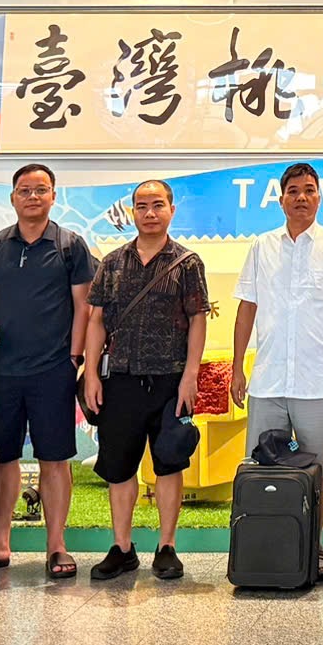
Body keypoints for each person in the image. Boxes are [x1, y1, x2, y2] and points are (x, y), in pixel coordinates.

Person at [0, 162, 94, 579]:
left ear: (54, 196)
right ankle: (0, 543)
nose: (33, 197)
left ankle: (56, 546)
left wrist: (74, 359)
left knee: (54, 459)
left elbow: (84, 307)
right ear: (13, 198)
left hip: (53, 370)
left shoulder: (71, 246)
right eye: (25, 190)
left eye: (41, 190)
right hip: (2, 372)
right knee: (2, 458)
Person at [83, 178, 210, 582]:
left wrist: (191, 375)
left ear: (172, 210)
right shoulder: (112, 262)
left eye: (158, 205)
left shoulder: (187, 263)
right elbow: (96, 320)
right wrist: (91, 373)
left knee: (169, 462)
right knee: (119, 467)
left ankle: (166, 546)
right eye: (142, 206)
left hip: (171, 380)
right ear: (132, 212)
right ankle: (122, 548)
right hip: (120, 379)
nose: (150, 213)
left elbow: (198, 319)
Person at [231, 162, 323, 529]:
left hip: (320, 382)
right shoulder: (262, 247)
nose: (301, 198)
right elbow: (247, 308)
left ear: (319, 198)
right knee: (262, 468)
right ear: (281, 200)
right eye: (293, 191)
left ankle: (310, 548)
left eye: (309, 190)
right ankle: (267, 547)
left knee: (319, 469)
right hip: (268, 381)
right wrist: (237, 368)